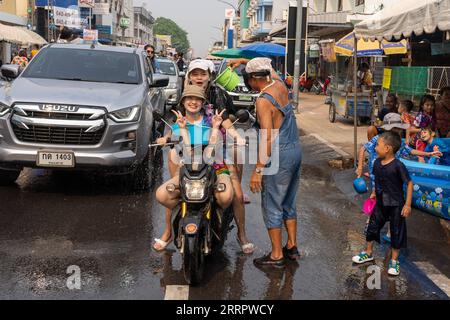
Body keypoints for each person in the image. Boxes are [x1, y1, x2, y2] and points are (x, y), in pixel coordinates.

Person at [154, 59, 254, 254]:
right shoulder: (184, 105)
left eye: (203, 74)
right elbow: (176, 127)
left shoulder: (216, 99)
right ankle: (169, 231)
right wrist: (166, 139)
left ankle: (242, 234)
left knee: (235, 194)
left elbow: (225, 122)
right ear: (189, 77)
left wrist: (236, 137)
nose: (199, 78)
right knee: (175, 185)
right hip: (189, 158)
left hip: (216, 154)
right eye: (195, 74)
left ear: (210, 76)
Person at [238, 57, 302, 267]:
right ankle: (291, 246)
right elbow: (270, 71)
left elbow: (268, 137)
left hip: (278, 155)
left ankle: (276, 255)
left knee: (272, 203)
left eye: (249, 79)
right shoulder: (280, 85)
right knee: (288, 202)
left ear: (255, 78)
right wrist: (248, 61)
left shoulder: (263, 99)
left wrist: (257, 170)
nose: (248, 83)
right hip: (294, 150)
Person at [155, 86, 234, 234]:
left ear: (203, 102)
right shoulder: (178, 125)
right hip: (190, 170)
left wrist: (216, 127)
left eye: (198, 99)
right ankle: (182, 214)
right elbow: (185, 152)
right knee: (161, 194)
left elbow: (212, 152)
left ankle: (220, 218)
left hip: (215, 167)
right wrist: (172, 135)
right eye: (189, 98)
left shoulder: (212, 121)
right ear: (183, 102)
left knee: (226, 197)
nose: (193, 102)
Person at [353, 131, 413, 276]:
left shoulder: (398, 166)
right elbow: (377, 180)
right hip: (380, 203)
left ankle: (394, 261)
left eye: (378, 145)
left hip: (396, 205)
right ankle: (368, 252)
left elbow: (409, 183)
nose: (375, 148)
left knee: (396, 231)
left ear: (388, 148)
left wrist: (407, 204)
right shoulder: (377, 163)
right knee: (372, 227)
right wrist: (374, 192)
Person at [406, 94, 436, 159]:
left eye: (432, 105)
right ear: (422, 106)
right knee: (421, 156)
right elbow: (410, 129)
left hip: (427, 139)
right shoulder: (420, 116)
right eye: (427, 105)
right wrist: (423, 130)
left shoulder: (432, 116)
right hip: (419, 140)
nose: (430, 107)